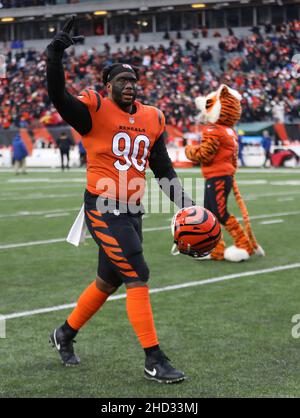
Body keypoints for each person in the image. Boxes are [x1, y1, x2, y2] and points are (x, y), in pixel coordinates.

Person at [46, 16, 194, 383]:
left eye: (133, 81)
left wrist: (187, 204)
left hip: (132, 209)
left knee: (107, 282)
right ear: (107, 85)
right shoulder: (93, 109)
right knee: (137, 274)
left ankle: (64, 333)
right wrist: (54, 56)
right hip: (102, 206)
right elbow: (58, 96)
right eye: (122, 81)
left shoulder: (152, 117)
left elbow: (162, 168)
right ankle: (153, 359)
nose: (130, 86)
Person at [185, 85, 264, 262]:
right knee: (209, 214)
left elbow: (205, 154)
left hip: (217, 176)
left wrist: (189, 151)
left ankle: (243, 244)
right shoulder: (229, 131)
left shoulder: (214, 130)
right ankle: (215, 248)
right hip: (222, 175)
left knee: (219, 214)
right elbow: (232, 159)